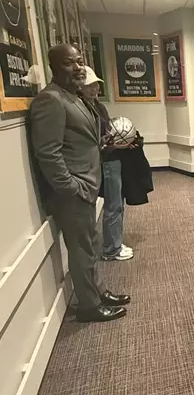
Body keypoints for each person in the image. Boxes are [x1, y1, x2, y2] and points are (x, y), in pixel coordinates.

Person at [29, 44, 130, 323]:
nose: (77, 68)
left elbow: (80, 140)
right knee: (82, 249)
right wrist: (71, 188)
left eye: (79, 61)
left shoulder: (74, 96)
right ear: (53, 67)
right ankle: (89, 306)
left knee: (91, 243)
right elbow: (48, 153)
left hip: (87, 185)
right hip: (73, 192)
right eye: (68, 63)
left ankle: (97, 292)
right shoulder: (50, 100)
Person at [80, 66, 134, 261]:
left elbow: (107, 130)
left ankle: (115, 243)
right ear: (80, 87)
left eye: (96, 84)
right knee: (113, 205)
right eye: (89, 85)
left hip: (112, 158)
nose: (94, 89)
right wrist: (106, 142)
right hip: (105, 161)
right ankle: (111, 248)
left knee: (118, 203)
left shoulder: (97, 106)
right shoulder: (83, 109)